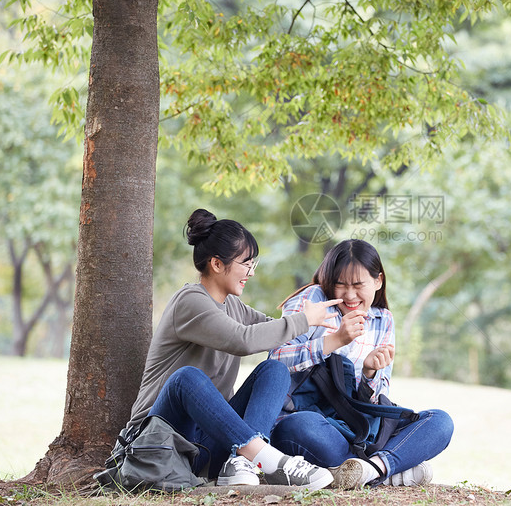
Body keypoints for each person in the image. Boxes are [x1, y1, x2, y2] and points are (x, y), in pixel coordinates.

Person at [123, 209, 339, 490]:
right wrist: (302, 320)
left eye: (253, 264)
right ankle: (269, 459)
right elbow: (244, 340)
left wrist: (334, 336)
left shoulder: (233, 306)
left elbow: (276, 333)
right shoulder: (189, 301)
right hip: (160, 440)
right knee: (186, 378)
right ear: (216, 263)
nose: (250, 272)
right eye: (246, 263)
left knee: (273, 370)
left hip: (208, 441)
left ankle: (244, 463)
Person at [268, 239, 454, 489]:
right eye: (340, 285)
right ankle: (390, 468)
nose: (350, 295)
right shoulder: (313, 300)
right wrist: (335, 340)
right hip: (309, 419)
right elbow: (276, 359)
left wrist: (369, 373)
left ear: (378, 281)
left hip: (356, 425)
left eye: (358, 285)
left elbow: (378, 399)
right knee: (300, 428)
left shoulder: (382, 319)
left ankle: (368, 469)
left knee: (440, 422)